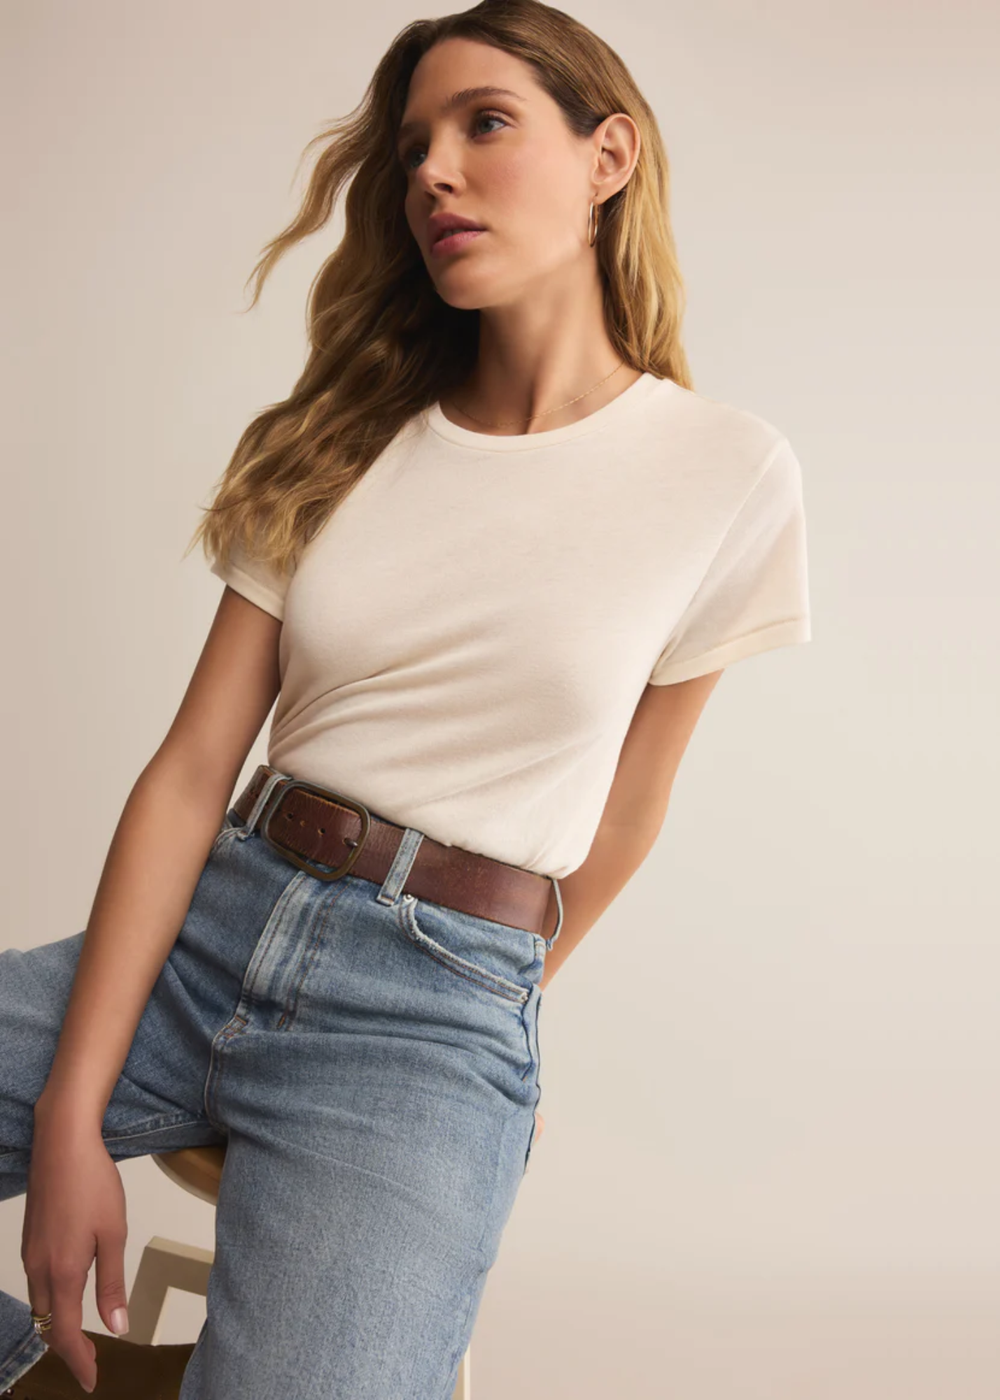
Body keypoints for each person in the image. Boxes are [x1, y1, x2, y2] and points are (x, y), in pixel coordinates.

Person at [0, 2, 811, 1396]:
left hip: (431, 1016)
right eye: (414, 145)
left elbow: (629, 811)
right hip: (211, 932)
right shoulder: (335, 437)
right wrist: (74, 1116)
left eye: (484, 124)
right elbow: (194, 767)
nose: (432, 170)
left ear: (606, 155)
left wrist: (498, 1014)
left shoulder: (726, 473)